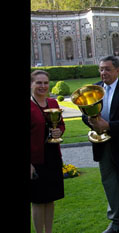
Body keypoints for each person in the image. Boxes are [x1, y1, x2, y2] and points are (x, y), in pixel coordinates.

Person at [82, 55, 119, 233]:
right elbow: (85, 115)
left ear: (117, 70)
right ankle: (116, 223)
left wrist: (108, 125)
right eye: (101, 69)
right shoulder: (94, 89)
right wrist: (91, 122)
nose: (103, 72)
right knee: (110, 186)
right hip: (102, 145)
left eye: (107, 69)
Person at [31, 70, 65, 233]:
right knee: (38, 200)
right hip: (35, 160)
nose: (43, 86)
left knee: (51, 199)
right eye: (38, 82)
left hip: (53, 156)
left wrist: (59, 131)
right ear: (31, 84)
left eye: (45, 83)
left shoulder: (53, 103)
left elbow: (61, 124)